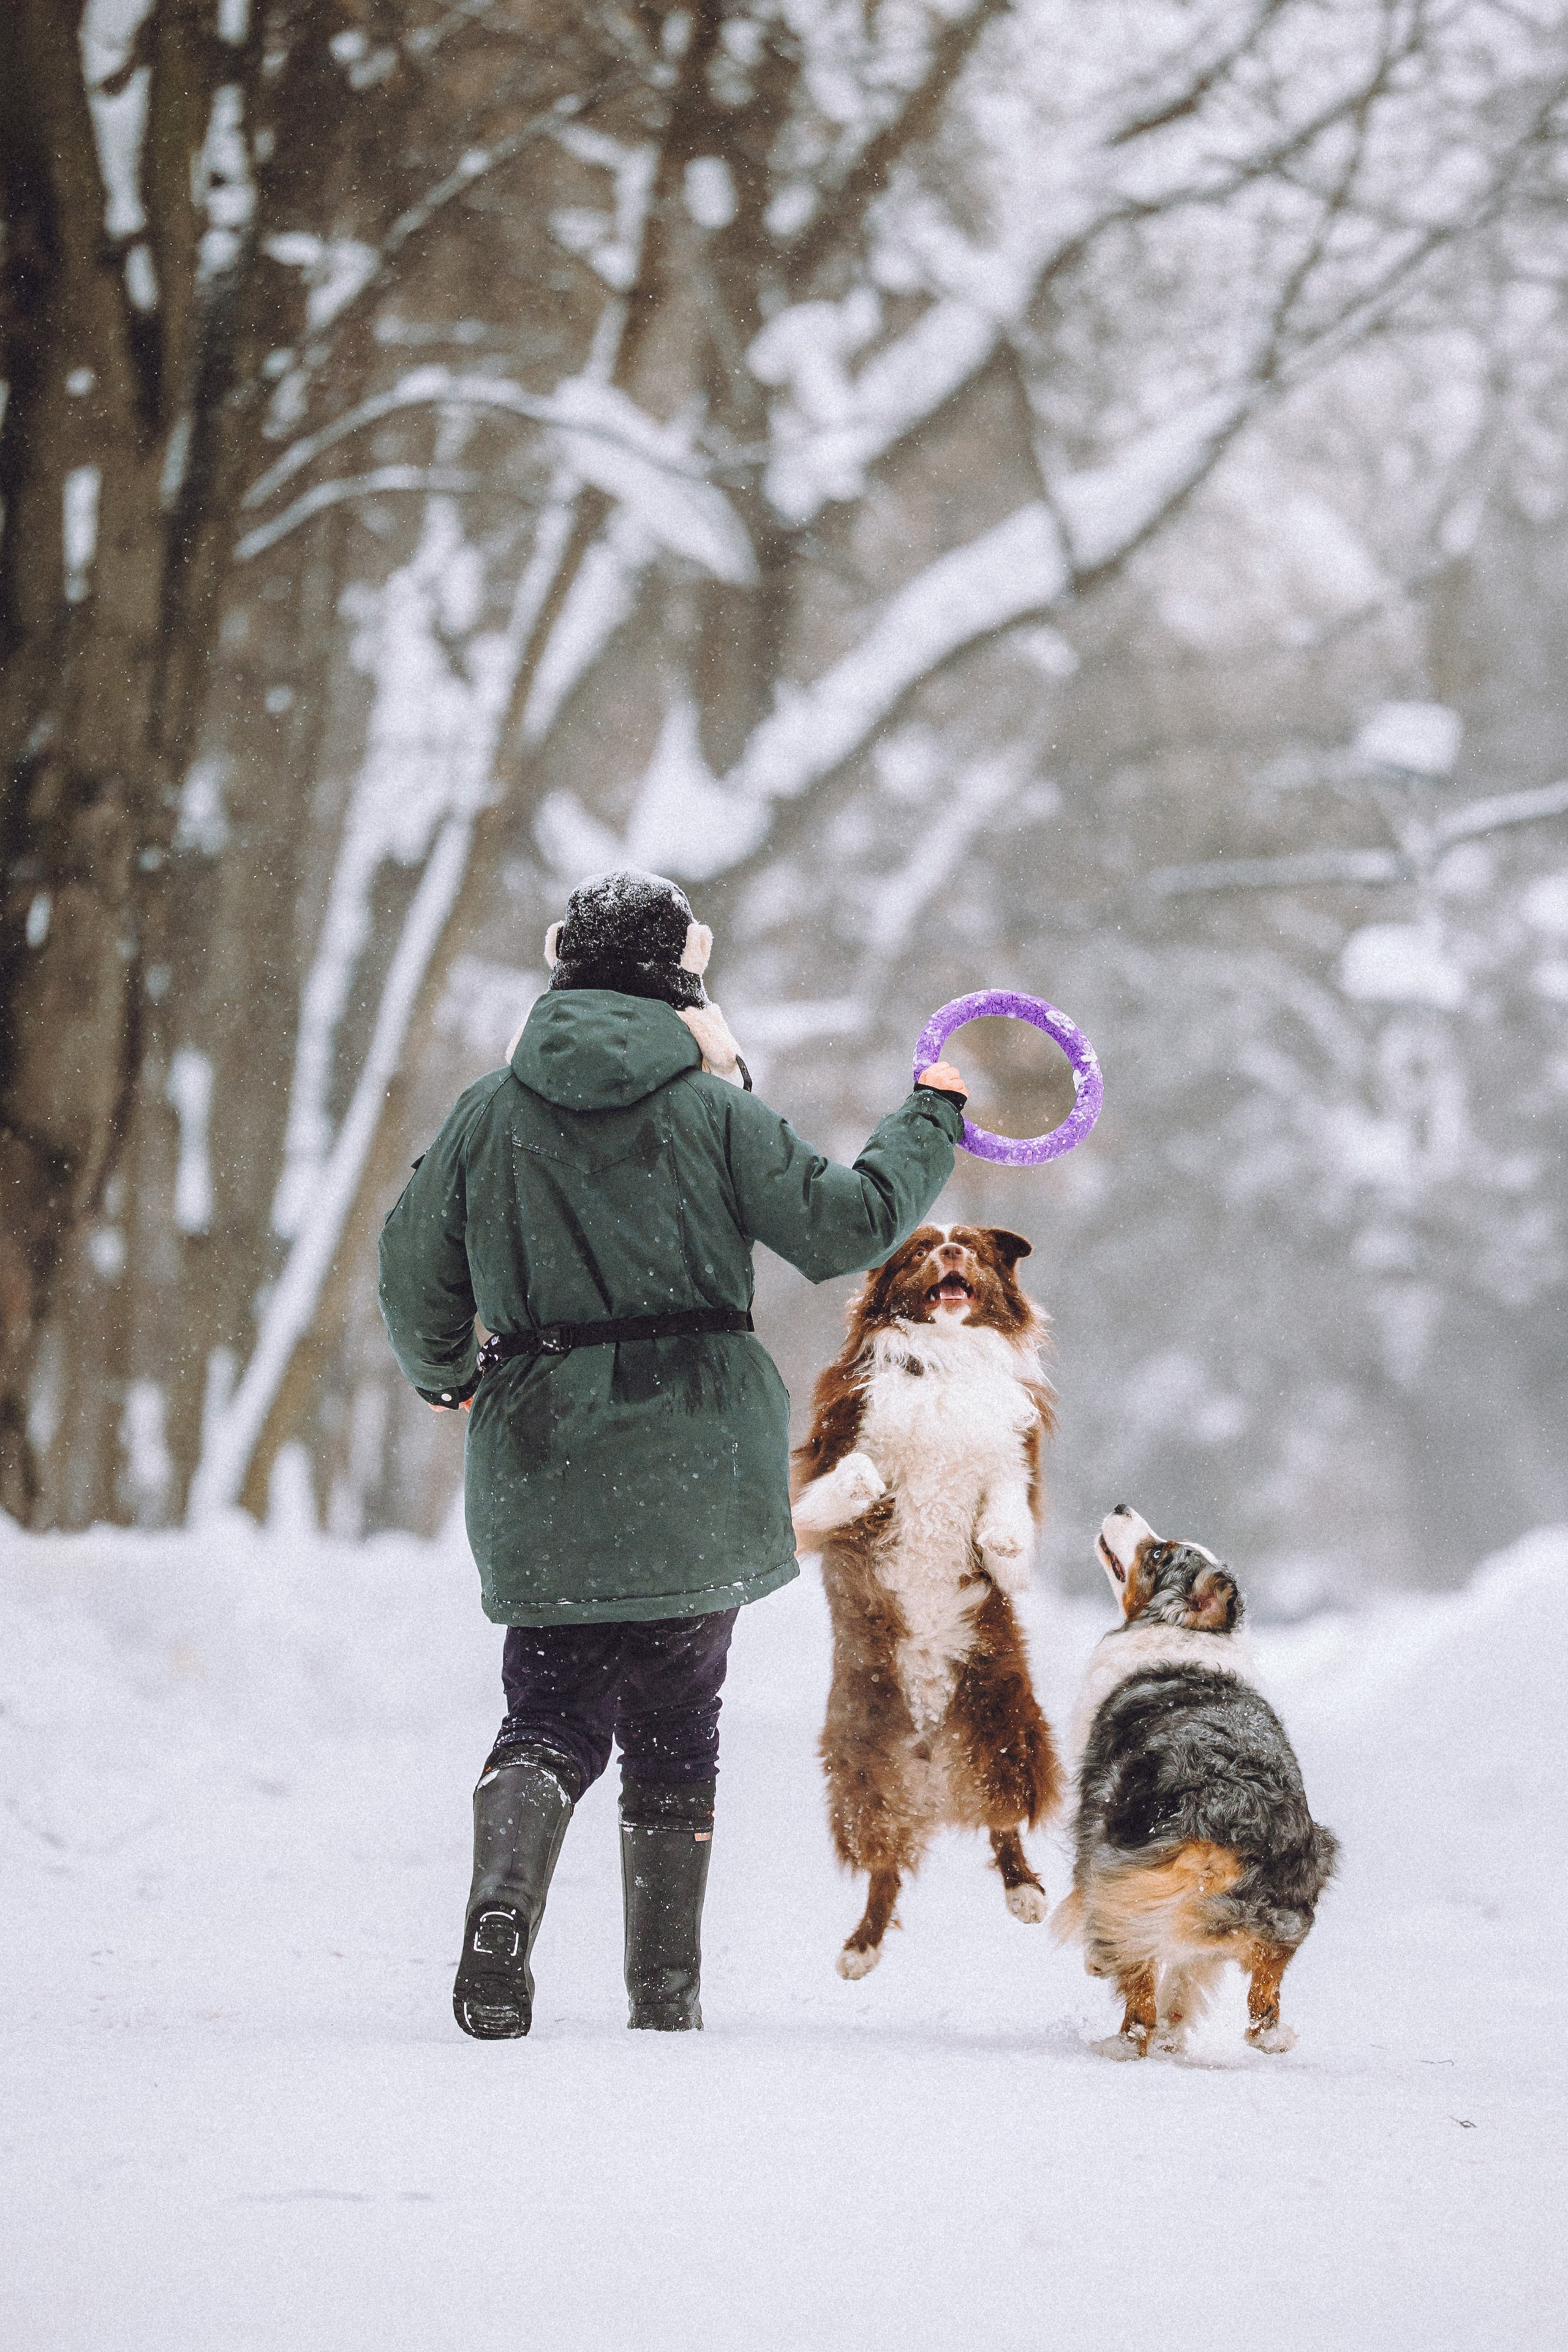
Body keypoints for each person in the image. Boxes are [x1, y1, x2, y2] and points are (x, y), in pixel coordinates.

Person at [377, 869, 968, 2038]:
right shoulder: (715, 1112)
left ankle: (502, 1920)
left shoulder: (487, 1113)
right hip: (696, 1465)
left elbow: (412, 1273)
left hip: (540, 1451)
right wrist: (930, 1117)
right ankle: (666, 1995)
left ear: (562, 969)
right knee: (676, 1723)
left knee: (546, 1711)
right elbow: (845, 1226)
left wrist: (450, 1375)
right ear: (682, 981)